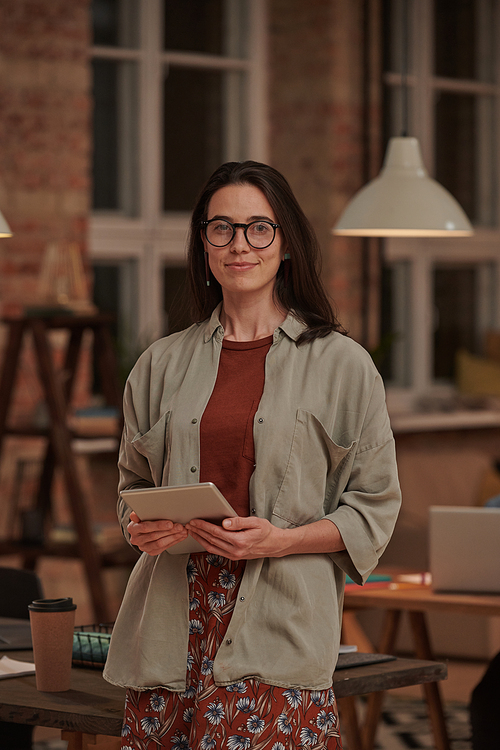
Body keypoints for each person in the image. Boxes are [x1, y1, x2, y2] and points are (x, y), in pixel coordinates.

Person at [103, 160, 401, 750]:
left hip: (282, 621)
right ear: (204, 244)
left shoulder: (343, 365)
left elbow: (374, 508)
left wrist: (280, 540)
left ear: (285, 242)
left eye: (258, 228)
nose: (240, 244)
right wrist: (142, 528)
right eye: (222, 229)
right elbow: (130, 490)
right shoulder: (159, 364)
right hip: (168, 623)